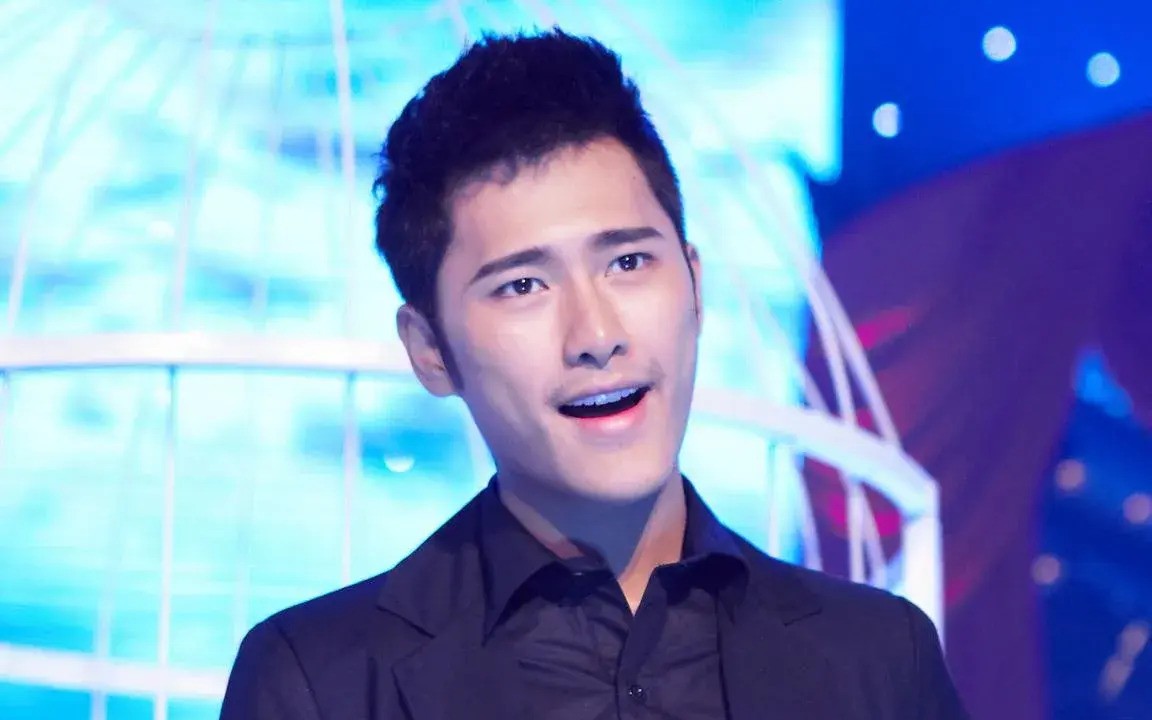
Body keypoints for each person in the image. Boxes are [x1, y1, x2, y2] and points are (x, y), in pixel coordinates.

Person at [220, 29, 968, 720]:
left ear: (695, 285)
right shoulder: (320, 683)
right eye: (523, 286)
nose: (597, 336)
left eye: (628, 262)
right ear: (430, 350)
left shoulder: (878, 659)